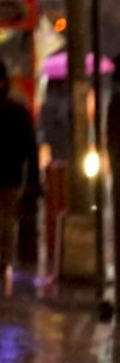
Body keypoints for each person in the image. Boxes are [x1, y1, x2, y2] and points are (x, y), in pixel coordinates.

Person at [0, 61, 39, 292]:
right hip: (11, 176)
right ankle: (3, 262)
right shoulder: (19, 111)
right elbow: (30, 149)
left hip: (10, 177)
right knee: (7, 223)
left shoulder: (17, 111)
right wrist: (33, 179)